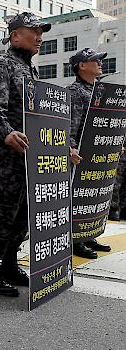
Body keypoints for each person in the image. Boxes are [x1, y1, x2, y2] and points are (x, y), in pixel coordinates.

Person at [0, 12, 52, 298]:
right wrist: (7, 132)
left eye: (41, 32)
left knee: (21, 216)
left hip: (28, 159)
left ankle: (9, 264)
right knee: (0, 215)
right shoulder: (1, 65)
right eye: (34, 31)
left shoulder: (31, 71)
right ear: (15, 35)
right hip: (4, 160)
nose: (39, 37)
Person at [68, 48, 113, 258]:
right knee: (77, 198)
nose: (99, 63)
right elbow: (71, 125)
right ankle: (75, 240)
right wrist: (71, 147)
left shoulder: (96, 91)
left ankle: (88, 234)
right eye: (94, 60)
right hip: (80, 156)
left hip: (95, 155)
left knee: (92, 196)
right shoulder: (75, 92)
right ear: (82, 66)